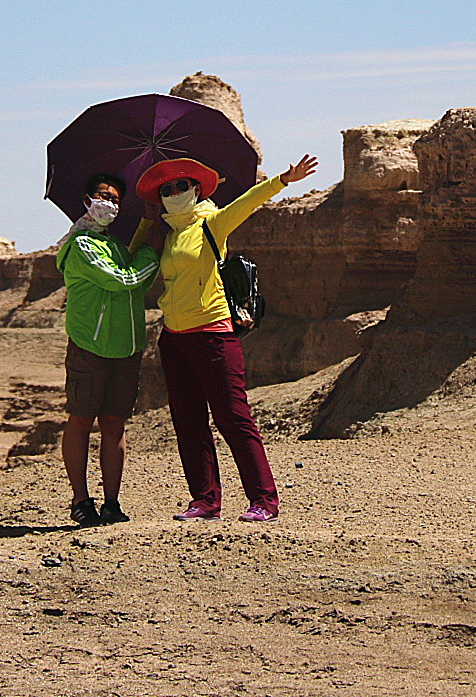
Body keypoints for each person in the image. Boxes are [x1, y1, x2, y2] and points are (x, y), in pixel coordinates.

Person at [130, 152, 318, 522]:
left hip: (213, 335)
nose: (174, 192)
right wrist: (146, 222)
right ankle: (204, 500)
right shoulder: (168, 235)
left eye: (181, 186)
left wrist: (283, 179)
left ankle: (264, 500)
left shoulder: (210, 224)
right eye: (166, 189)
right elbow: (135, 257)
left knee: (233, 418)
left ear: (197, 190)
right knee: (188, 421)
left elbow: (246, 203)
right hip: (173, 337)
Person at [56, 172, 159, 526]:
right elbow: (124, 278)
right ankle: (81, 500)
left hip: (125, 348)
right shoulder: (82, 245)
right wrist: (153, 254)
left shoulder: (110, 243)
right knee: (81, 420)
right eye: (103, 196)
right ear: (86, 200)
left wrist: (146, 223)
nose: (110, 204)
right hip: (91, 345)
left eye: (116, 200)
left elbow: (124, 259)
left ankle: (112, 503)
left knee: (115, 425)